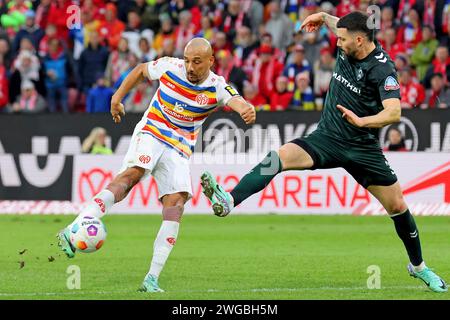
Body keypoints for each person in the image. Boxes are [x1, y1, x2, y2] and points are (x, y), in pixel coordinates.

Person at [200, 11, 448, 293]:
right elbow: (337, 24)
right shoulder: (349, 37)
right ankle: (230, 200)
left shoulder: (383, 69)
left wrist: (362, 121)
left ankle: (419, 267)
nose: (337, 43)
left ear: (358, 39)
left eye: (342, 40)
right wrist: (322, 15)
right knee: (277, 158)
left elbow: (394, 112)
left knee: (397, 206)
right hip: (326, 137)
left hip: (362, 147)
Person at [56, 38, 256, 293]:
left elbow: (237, 100)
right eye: (187, 60)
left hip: (180, 147)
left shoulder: (216, 86)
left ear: (210, 61)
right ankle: (75, 226)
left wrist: (246, 109)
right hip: (152, 130)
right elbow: (141, 70)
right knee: (132, 175)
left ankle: (151, 279)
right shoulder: (170, 67)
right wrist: (117, 97)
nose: (190, 67)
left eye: (196, 62)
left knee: (176, 203)